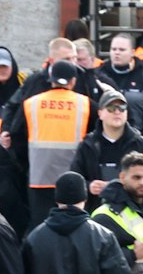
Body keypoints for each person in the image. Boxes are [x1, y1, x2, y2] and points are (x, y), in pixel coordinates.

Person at [9, 61, 97, 227]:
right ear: (73, 81)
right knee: (75, 226)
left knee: (41, 227)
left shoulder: (31, 103)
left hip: (39, 177)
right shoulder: (85, 104)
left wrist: (27, 166)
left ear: (51, 79)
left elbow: (16, 137)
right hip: (74, 179)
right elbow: (97, 136)